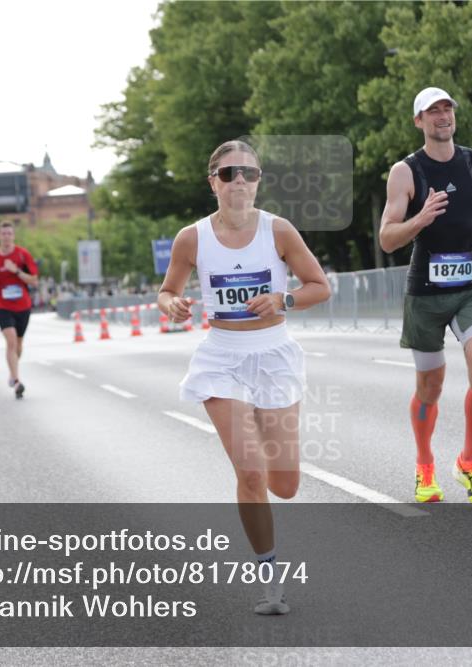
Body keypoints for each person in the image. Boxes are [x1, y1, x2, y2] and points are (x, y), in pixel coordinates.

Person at [159, 140, 331, 615]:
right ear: (213, 181)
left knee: (286, 484)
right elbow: (168, 289)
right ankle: (270, 577)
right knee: (250, 473)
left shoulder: (278, 230)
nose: (240, 182)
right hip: (222, 358)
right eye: (230, 173)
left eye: (249, 174)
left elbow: (320, 287)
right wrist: (170, 303)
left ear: (259, 182)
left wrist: (283, 300)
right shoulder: (191, 238)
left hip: (274, 355)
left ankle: (267, 441)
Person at [379, 87, 472, 505]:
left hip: (469, 287)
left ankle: (468, 461)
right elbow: (387, 238)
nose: (442, 116)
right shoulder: (406, 172)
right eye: (433, 111)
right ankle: (425, 464)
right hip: (425, 294)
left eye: (447, 108)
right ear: (419, 121)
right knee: (430, 387)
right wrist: (421, 218)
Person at [0, 220, 39, 398]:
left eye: (9, 234)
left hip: (23, 305)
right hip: (2, 305)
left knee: (19, 344)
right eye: (3, 234)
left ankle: (13, 372)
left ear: (13, 236)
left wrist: (16, 271)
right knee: (11, 340)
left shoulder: (23, 255)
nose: (6, 237)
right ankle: (16, 379)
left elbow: (34, 280)